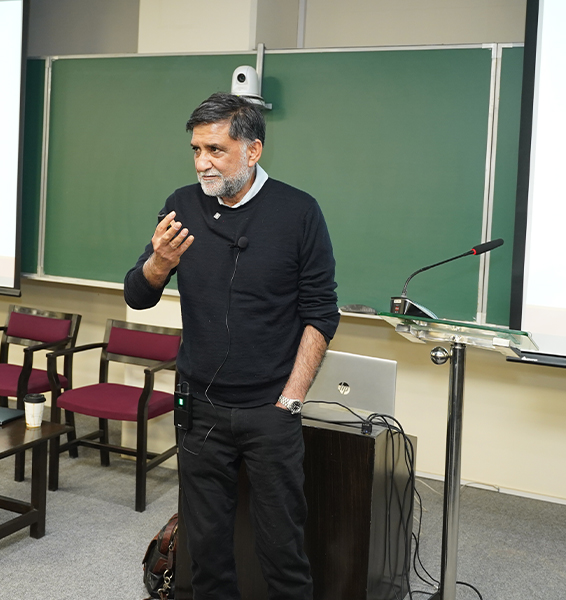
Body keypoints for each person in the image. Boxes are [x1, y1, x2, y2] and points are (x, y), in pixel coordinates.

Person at [124, 92, 339, 599]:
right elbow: (138, 294)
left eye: (216, 150)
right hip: (200, 406)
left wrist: (292, 399)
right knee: (206, 549)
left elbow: (321, 312)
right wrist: (158, 263)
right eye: (196, 150)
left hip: (270, 409)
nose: (203, 163)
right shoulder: (181, 205)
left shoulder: (298, 211)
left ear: (253, 150)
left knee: (282, 549)